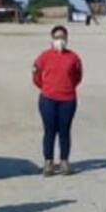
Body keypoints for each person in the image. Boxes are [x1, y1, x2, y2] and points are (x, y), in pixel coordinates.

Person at [32, 25, 83, 176]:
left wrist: (67, 87)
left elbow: (77, 77)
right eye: (56, 37)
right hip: (48, 99)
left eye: (62, 37)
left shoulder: (73, 57)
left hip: (68, 99)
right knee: (49, 131)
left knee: (65, 131)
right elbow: (36, 74)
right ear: (52, 39)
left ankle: (64, 161)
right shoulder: (44, 56)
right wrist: (45, 87)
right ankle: (48, 162)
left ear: (67, 39)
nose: (59, 40)